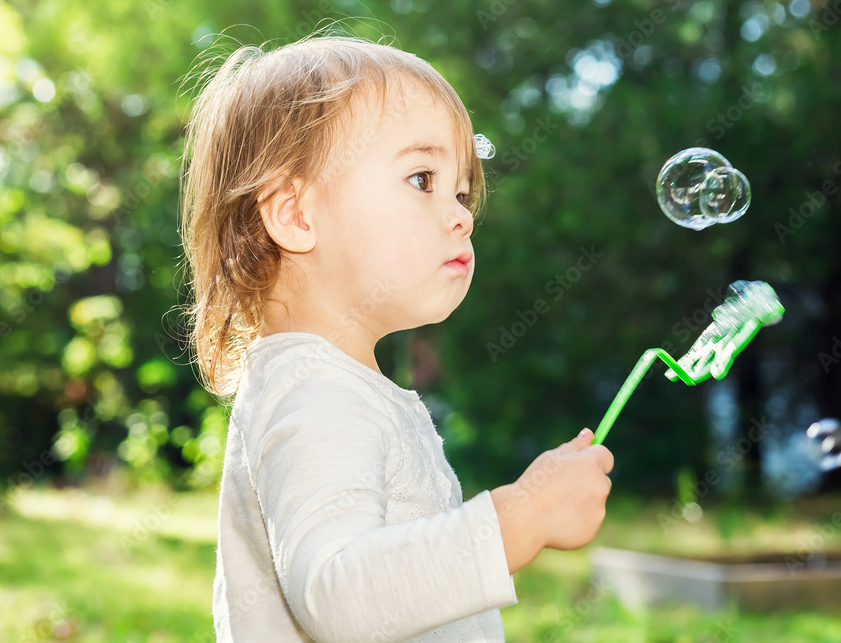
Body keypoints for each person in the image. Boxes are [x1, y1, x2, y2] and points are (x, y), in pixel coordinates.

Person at [178, 31, 614, 642]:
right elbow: (337, 594)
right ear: (296, 216)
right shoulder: (315, 395)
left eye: (461, 191)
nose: (462, 214)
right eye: (421, 180)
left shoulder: (336, 384)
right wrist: (522, 515)